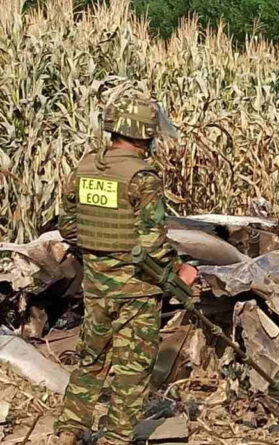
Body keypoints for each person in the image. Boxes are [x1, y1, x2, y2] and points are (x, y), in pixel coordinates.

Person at [54, 97, 197, 445]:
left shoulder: (86, 167)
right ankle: (115, 438)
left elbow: (67, 228)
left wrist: (102, 255)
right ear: (144, 135)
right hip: (137, 289)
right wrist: (181, 271)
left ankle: (69, 431)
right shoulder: (142, 177)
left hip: (96, 286)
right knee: (132, 369)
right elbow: (152, 245)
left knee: (91, 359)